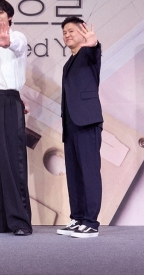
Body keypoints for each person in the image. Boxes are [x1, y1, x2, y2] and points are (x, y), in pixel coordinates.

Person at [0, 0, 32, 236]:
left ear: (9, 16)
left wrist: (8, 41)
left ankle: (19, 222)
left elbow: (17, 45)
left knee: (13, 162)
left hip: (9, 102)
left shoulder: (18, 37)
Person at [56, 16, 103, 238]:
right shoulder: (68, 63)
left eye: (71, 31)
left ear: (82, 33)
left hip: (87, 121)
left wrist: (92, 43)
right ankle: (77, 218)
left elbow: (95, 50)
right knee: (74, 174)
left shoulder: (88, 54)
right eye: (64, 32)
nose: (67, 35)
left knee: (89, 172)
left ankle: (91, 222)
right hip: (71, 124)